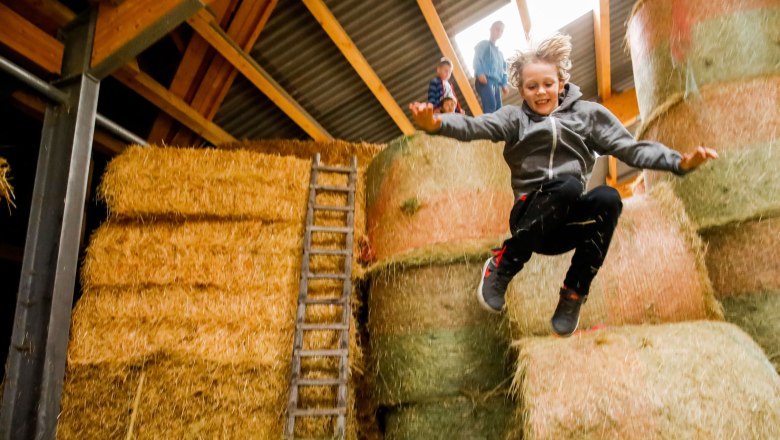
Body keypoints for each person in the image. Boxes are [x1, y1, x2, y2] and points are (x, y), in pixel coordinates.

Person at [409, 33, 717, 337]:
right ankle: (503, 264)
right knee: (568, 186)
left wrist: (677, 162)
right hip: (530, 217)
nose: (541, 92)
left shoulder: (588, 116)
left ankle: (573, 294)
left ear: (561, 82)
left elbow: (631, 149)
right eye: (532, 86)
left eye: (547, 84)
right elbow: (476, 127)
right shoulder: (515, 119)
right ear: (521, 88)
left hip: (566, 222)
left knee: (609, 198)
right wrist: (436, 124)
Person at [474, 21, 509, 113]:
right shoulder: (484, 44)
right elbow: (477, 59)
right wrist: (480, 72)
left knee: (499, 108)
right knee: (491, 104)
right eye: (497, 29)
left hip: (496, 84)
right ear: (491, 29)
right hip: (485, 80)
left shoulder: (500, 54)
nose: (499, 32)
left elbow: (504, 71)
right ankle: (489, 125)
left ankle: (499, 126)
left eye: (501, 31)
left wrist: (504, 84)